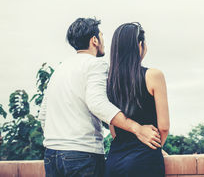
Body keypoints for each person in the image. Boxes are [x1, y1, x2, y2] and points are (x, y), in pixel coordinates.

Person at [39, 18, 162, 177]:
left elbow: (43, 114)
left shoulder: (60, 69)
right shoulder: (96, 64)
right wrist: (137, 129)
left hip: (51, 155)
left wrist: (59, 141)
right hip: (82, 155)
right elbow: (97, 103)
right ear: (94, 40)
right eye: (102, 36)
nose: (104, 42)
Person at [105, 22, 170, 177]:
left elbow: (113, 129)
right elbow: (164, 127)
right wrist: (155, 146)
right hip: (145, 161)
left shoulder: (109, 82)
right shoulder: (154, 75)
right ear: (140, 45)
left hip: (114, 161)